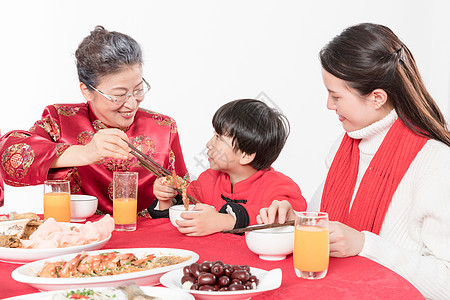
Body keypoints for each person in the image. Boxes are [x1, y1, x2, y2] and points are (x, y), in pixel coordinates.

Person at [258, 23, 450, 299]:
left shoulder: (435, 162)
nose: (328, 105)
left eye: (336, 96)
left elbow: (446, 282)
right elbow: (325, 226)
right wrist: (292, 221)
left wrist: (365, 245)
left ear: (377, 98)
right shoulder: (344, 147)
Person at [0, 26, 188, 215]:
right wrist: (85, 152)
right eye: (119, 95)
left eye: (138, 90)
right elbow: (10, 155)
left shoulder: (163, 127)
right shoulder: (61, 120)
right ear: (87, 91)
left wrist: (168, 194)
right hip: (78, 236)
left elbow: (188, 197)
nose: (131, 103)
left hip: (147, 239)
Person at [151, 99, 307, 236]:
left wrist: (225, 221)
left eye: (218, 138)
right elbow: (184, 213)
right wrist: (166, 198)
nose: (209, 144)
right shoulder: (209, 179)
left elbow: (291, 217)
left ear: (246, 155)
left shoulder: (279, 187)